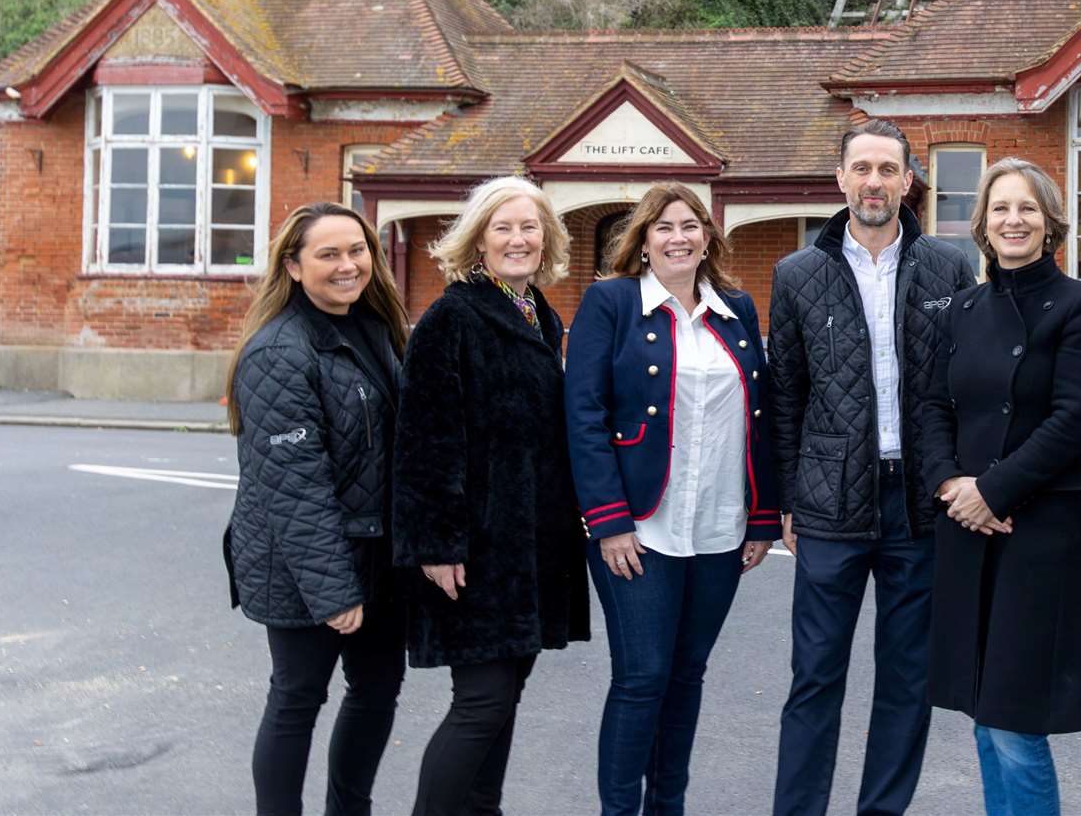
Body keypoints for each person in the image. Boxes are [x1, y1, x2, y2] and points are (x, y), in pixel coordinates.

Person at [768, 119, 976, 816]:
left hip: (920, 504)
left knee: (906, 679)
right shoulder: (797, 274)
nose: (875, 182)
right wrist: (790, 499)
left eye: (888, 169)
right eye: (862, 169)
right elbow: (785, 394)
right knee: (815, 676)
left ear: (908, 181)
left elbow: (966, 389)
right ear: (840, 180)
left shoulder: (950, 267)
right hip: (830, 504)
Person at [565, 182, 781, 815]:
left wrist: (762, 515)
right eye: (663, 227)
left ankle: (669, 807)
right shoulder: (612, 302)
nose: (678, 237)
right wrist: (608, 521)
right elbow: (583, 413)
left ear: (708, 237)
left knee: (687, 677)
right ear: (643, 240)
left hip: (718, 526)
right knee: (642, 679)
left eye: (690, 225)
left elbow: (759, 418)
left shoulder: (735, 308)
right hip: (639, 527)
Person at [916, 158, 1081, 816]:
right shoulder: (963, 309)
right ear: (982, 224)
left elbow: (1071, 423)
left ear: (1050, 222)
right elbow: (935, 408)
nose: (1013, 220)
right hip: (967, 531)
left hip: (1040, 536)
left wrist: (990, 493)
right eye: (1000, 208)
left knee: (1014, 720)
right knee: (982, 712)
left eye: (1027, 208)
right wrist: (951, 487)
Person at [393, 175, 591, 816]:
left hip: (529, 549)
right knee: (480, 705)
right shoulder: (452, 318)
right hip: (473, 550)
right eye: (502, 227)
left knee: (503, 701)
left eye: (529, 227)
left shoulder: (537, 312)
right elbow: (425, 440)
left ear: (547, 239)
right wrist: (436, 544)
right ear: (477, 239)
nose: (517, 239)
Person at [224, 201, 410, 816]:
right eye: (328, 254)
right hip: (304, 561)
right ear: (295, 267)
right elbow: (294, 487)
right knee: (298, 696)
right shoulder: (278, 351)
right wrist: (335, 592)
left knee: (378, 689)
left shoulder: (375, 327)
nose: (347, 265)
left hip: (376, 552)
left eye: (356, 250)